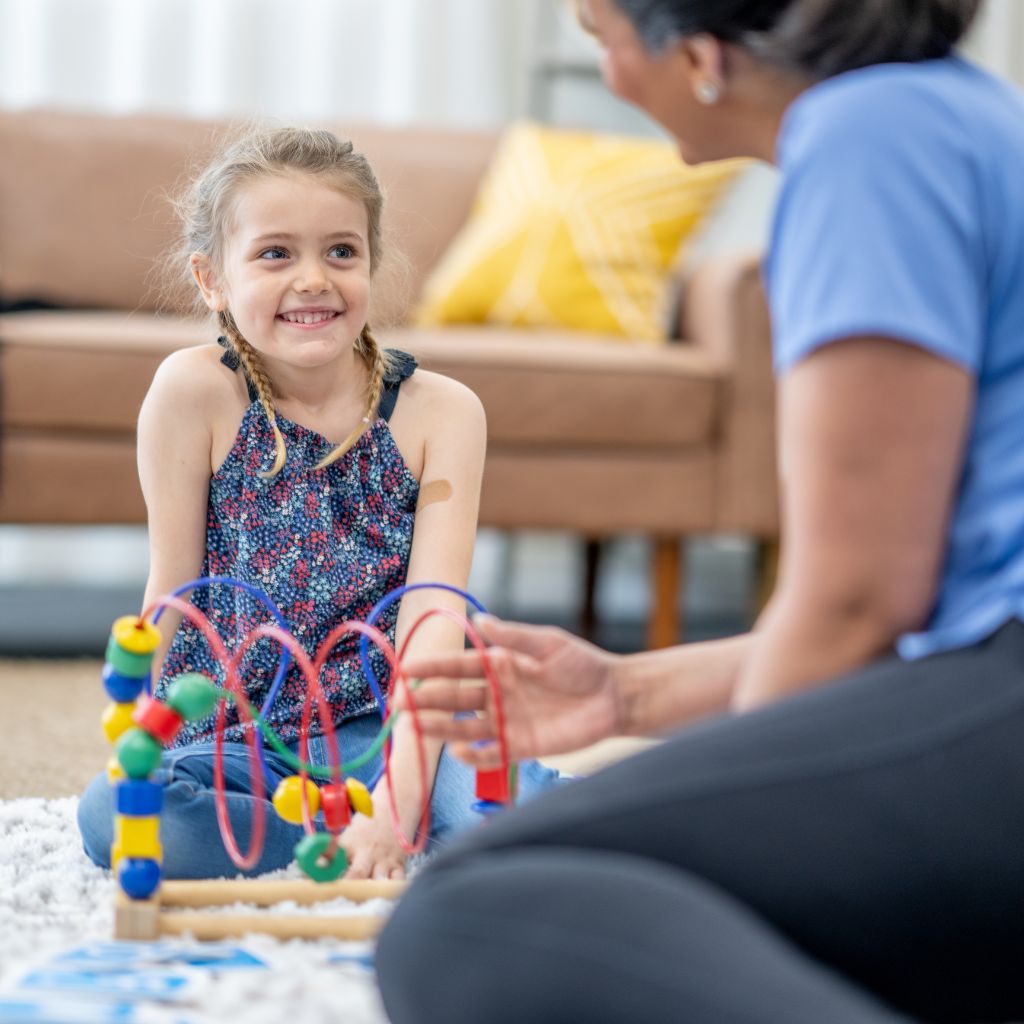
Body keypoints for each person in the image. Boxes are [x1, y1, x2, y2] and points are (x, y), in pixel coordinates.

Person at [376, 0, 1024, 1021]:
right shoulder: (949, 113)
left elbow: (859, 604)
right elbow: (940, 614)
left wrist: (748, 816)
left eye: (603, 41)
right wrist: (626, 696)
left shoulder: (868, 136)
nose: (610, 78)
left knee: (470, 908)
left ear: (699, 56)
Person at [76, 126, 558, 882]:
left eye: (341, 251)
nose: (313, 280)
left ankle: (386, 824)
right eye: (275, 253)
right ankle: (333, 840)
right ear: (213, 280)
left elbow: (435, 617)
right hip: (237, 736)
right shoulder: (192, 391)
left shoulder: (443, 412)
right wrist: (140, 734)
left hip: (395, 731)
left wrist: (401, 800)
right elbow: (172, 590)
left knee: (520, 811)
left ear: (371, 262)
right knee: (114, 816)